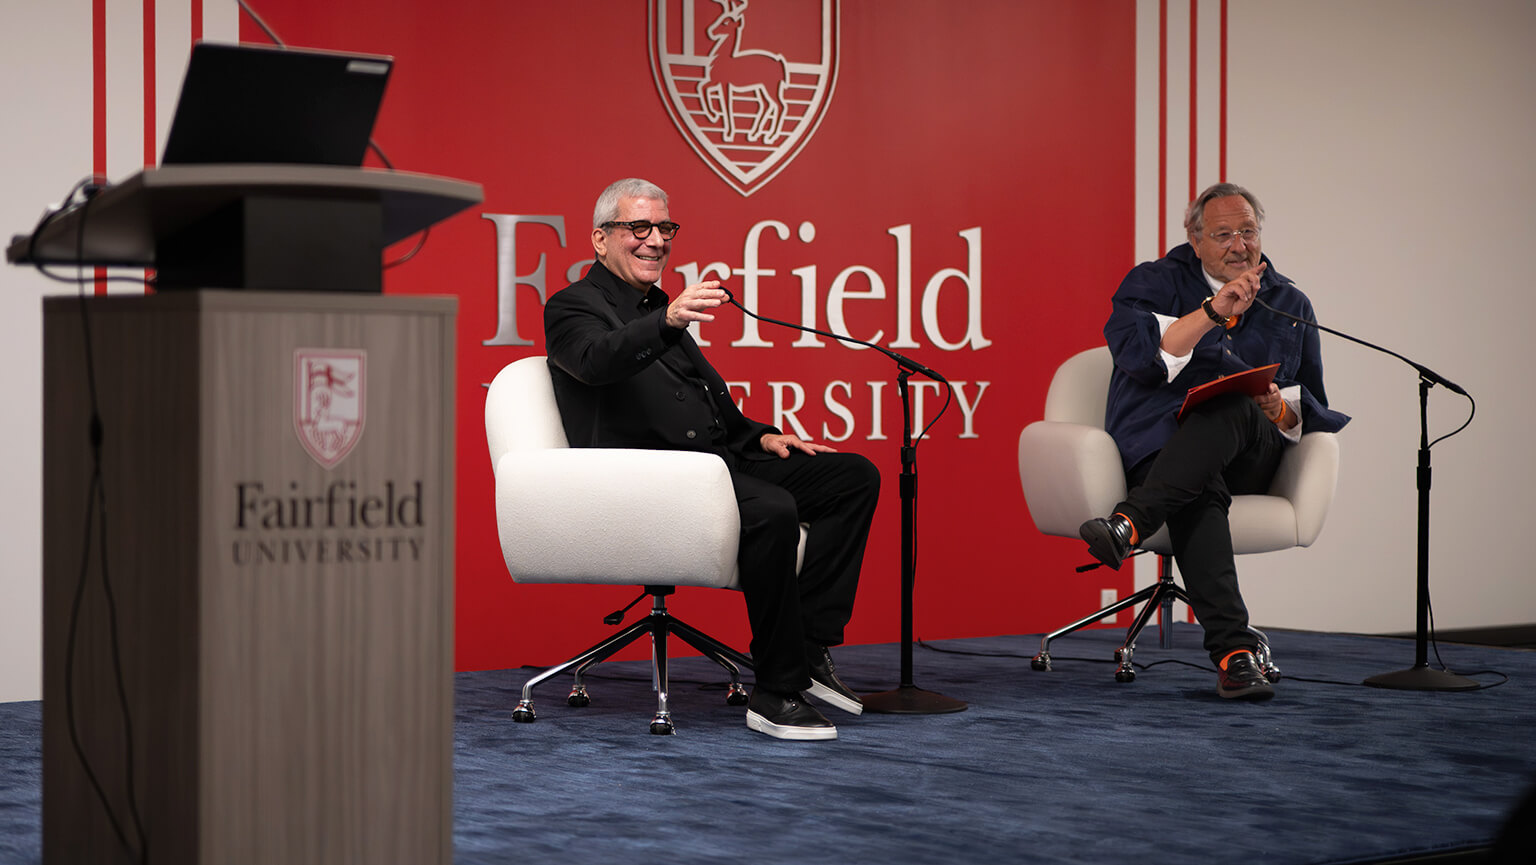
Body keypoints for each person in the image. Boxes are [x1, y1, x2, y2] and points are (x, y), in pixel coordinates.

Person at [544, 178, 881, 740]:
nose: (656, 241)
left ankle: (810, 646)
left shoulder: (657, 304)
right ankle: (775, 690)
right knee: (772, 507)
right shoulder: (574, 305)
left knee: (852, 478)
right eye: (639, 228)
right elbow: (594, 361)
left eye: (665, 229)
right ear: (600, 240)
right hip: (651, 477)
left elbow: (705, 402)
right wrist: (668, 322)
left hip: (715, 463)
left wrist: (762, 437)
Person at [1079, 182, 1349, 701]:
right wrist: (1211, 311)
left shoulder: (1289, 301)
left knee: (1234, 400)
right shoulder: (1151, 284)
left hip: (1248, 454)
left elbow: (1310, 401)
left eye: (1248, 231)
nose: (1239, 245)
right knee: (1196, 489)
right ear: (1195, 239)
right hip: (1160, 448)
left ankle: (1129, 521)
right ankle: (1234, 655)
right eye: (1223, 234)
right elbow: (1139, 359)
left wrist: (1279, 408)